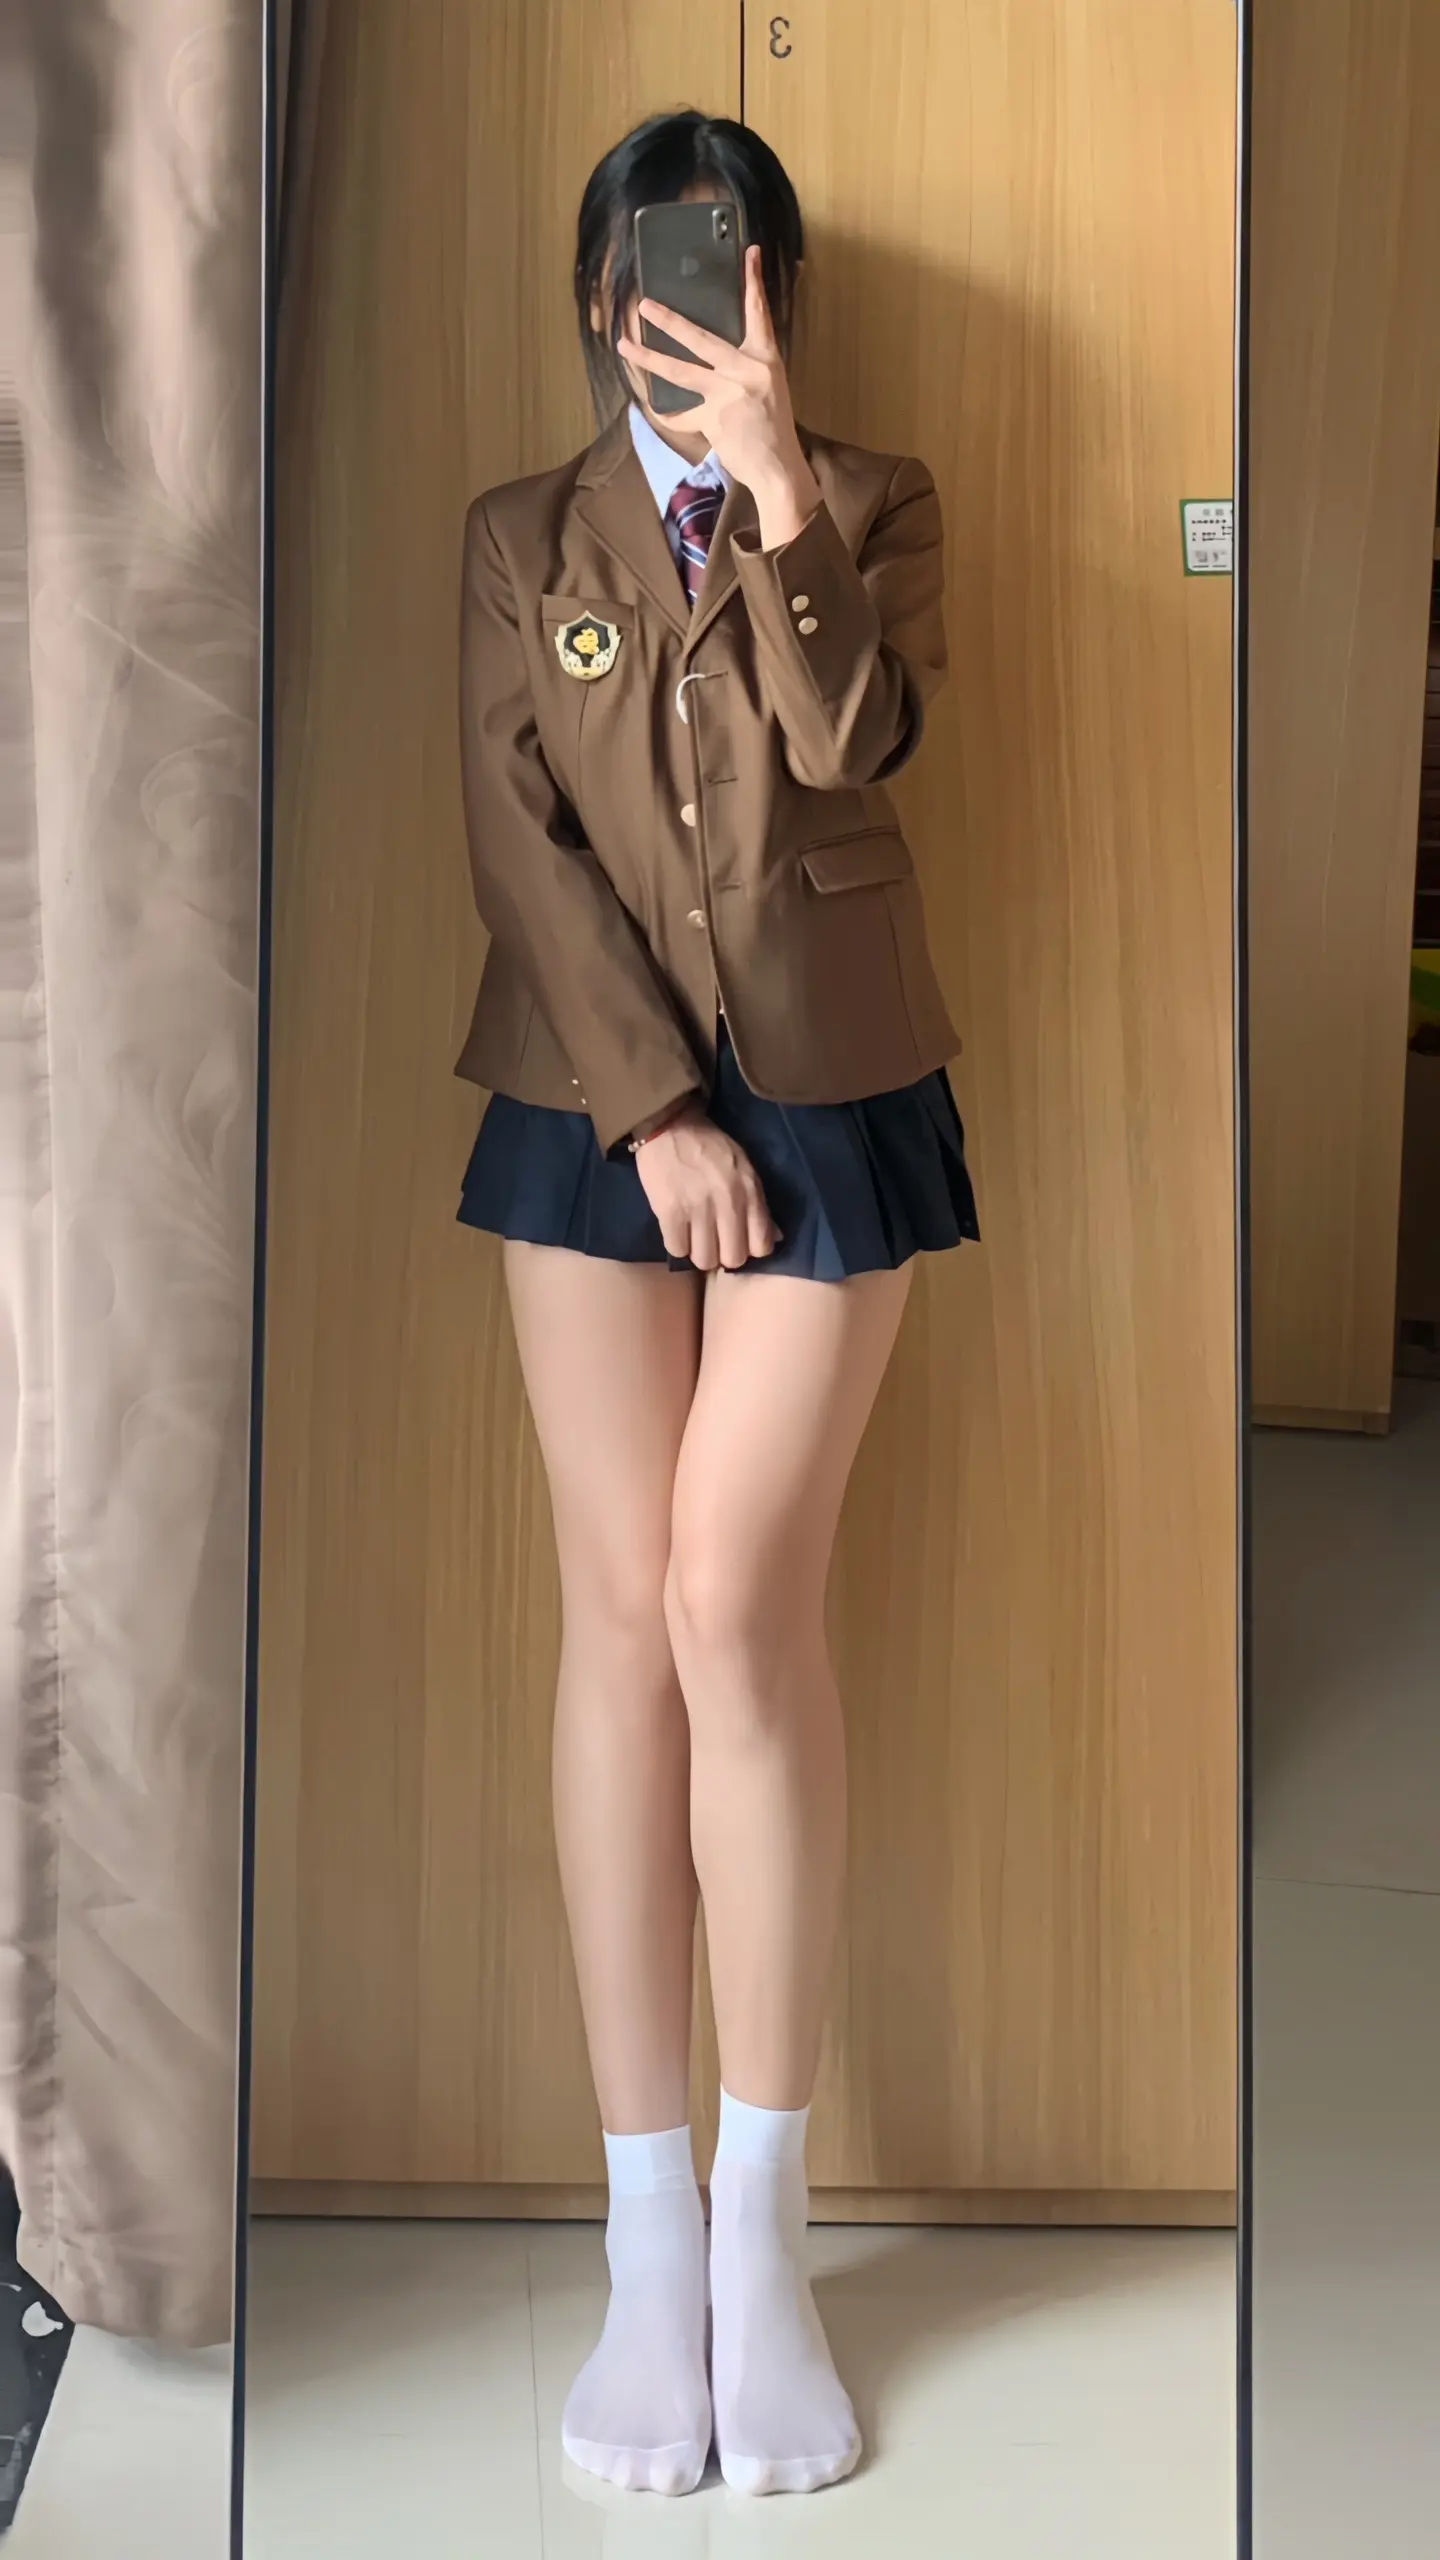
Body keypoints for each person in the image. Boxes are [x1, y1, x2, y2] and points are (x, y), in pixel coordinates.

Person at [454, 109, 978, 2498]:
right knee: (616, 1620)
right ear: (605, 296)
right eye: (666, 265)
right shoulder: (522, 538)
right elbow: (520, 842)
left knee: (730, 1597)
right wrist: (655, 1105)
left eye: (742, 262)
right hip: (592, 1100)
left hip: (840, 1090)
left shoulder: (871, 503)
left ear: (781, 292)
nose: (700, 294)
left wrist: (774, 493)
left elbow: (854, 740)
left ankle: (765, 2232)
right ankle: (643, 2229)